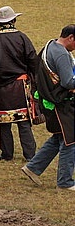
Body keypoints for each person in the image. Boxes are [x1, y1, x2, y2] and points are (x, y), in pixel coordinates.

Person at [0, 6, 38, 162]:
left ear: (0, 24)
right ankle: (30, 154)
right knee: (23, 122)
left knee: (5, 123)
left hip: (3, 88)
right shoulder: (22, 38)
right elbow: (33, 59)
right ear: (14, 20)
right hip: (20, 86)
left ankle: (7, 153)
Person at [22, 24, 75, 191]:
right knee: (70, 141)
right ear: (71, 38)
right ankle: (65, 182)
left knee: (59, 137)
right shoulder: (62, 55)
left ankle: (33, 168)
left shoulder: (50, 46)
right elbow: (68, 82)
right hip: (61, 104)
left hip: (49, 103)